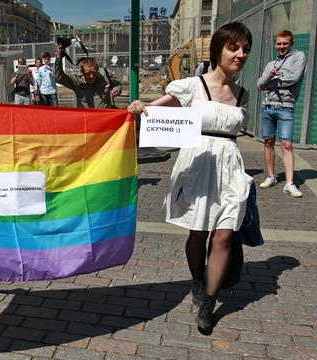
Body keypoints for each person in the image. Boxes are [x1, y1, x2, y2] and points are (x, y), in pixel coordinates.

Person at [127, 22, 253, 334]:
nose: (240, 55)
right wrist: (140, 106)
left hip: (231, 167)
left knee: (224, 234)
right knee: (198, 233)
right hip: (198, 165)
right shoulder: (193, 86)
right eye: (234, 48)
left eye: (245, 49)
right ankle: (198, 280)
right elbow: (154, 111)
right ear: (218, 50)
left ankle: (209, 301)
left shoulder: (242, 93)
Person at [256, 30, 306, 198]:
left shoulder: (298, 57)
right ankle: (271, 176)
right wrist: (269, 78)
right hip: (268, 107)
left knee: (286, 144)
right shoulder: (271, 64)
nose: (281, 46)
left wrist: (271, 81)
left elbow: (294, 78)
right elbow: (259, 84)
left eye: (285, 43)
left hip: (286, 107)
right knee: (268, 142)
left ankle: (290, 183)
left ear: (290, 44)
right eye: (279, 43)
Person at [54, 46, 121, 109]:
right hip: (85, 119)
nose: (91, 76)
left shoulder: (105, 75)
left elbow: (117, 84)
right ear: (82, 72)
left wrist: (117, 89)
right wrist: (58, 58)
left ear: (97, 70)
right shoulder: (77, 81)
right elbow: (58, 77)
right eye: (87, 74)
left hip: (104, 118)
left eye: (94, 73)